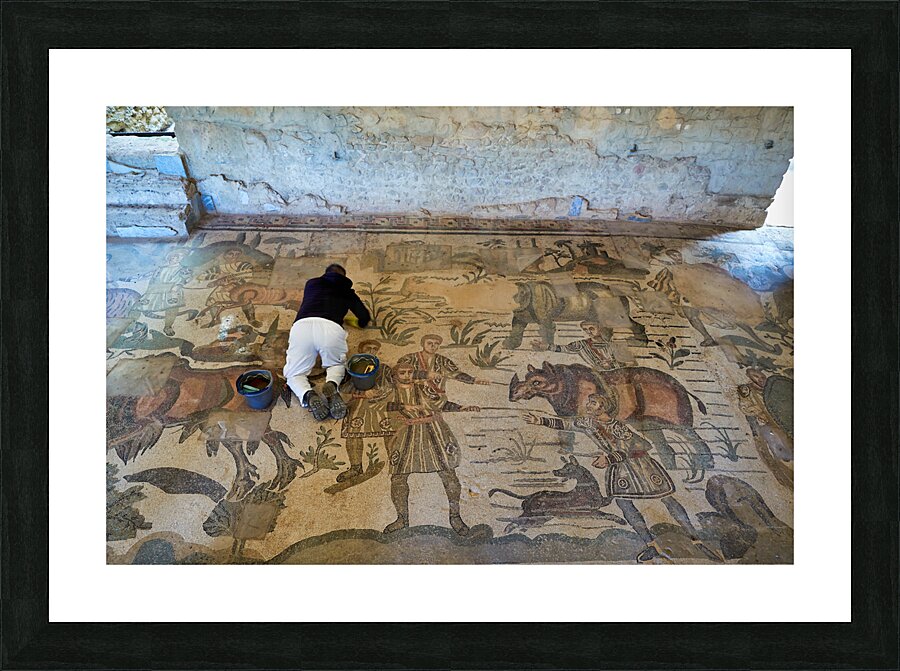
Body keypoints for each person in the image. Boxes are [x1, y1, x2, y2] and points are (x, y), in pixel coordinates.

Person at [525, 393, 720, 563]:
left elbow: (639, 445)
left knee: (665, 498)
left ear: (604, 407)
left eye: (593, 403)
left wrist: (609, 457)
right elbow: (566, 423)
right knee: (624, 503)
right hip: (618, 468)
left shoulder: (618, 426)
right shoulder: (588, 423)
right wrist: (540, 420)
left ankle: (695, 537)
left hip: (640, 465)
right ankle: (649, 544)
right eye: (589, 403)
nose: (588, 406)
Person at [383, 362, 480, 536]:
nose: (407, 375)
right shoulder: (391, 392)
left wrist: (460, 408)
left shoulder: (424, 389)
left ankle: (455, 517)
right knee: (398, 477)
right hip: (407, 433)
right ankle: (401, 519)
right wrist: (403, 407)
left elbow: (440, 404)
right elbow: (385, 406)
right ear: (395, 375)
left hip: (433, 431)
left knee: (448, 473)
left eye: (410, 372)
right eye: (402, 372)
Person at [283, 264, 371, 421]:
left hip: (302, 327)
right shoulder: (347, 292)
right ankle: (332, 384)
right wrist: (354, 321)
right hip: (331, 328)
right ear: (344, 278)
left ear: (325, 274)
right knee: (336, 364)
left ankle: (307, 394)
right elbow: (364, 317)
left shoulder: (311, 283)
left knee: (293, 373)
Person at [337, 339, 394, 482]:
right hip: (358, 404)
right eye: (368, 347)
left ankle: (395, 463)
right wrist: (360, 392)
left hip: (379, 405)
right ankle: (356, 468)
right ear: (360, 349)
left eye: (375, 349)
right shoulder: (349, 368)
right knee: (353, 433)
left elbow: (390, 386)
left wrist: (377, 391)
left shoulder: (384, 368)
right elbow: (343, 388)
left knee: (389, 432)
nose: (371, 351)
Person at [397, 334, 491, 398]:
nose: (433, 346)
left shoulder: (443, 360)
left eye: (436, 344)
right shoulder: (409, 358)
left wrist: (473, 380)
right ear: (423, 344)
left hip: (436, 399)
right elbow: (396, 373)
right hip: (412, 397)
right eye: (429, 343)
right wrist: (425, 374)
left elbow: (455, 374)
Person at [531, 320, 623, 371]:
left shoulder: (612, 344)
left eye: (591, 328)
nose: (588, 332)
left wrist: (611, 365)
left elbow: (627, 363)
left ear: (600, 328)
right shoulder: (581, 344)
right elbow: (564, 348)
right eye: (585, 329)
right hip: (600, 375)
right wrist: (546, 346)